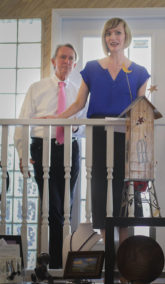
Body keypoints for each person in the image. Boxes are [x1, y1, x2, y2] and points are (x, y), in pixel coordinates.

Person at [48, 18, 149, 244]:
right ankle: (110, 258)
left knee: (125, 196)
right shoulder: (92, 68)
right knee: (101, 192)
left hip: (126, 138)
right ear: (105, 38)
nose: (113, 37)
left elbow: (142, 110)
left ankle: (125, 264)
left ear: (126, 37)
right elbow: (78, 104)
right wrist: (56, 118)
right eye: (109, 33)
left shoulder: (140, 72)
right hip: (99, 138)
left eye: (118, 33)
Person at [14, 43, 85, 268]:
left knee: (67, 205)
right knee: (52, 207)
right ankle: (55, 263)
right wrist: (23, 152)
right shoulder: (37, 88)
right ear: (53, 61)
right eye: (62, 57)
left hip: (70, 149)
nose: (66, 61)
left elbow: (82, 127)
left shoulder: (78, 91)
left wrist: (72, 127)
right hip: (43, 148)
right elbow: (23, 121)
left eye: (71, 58)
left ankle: (59, 259)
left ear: (74, 64)